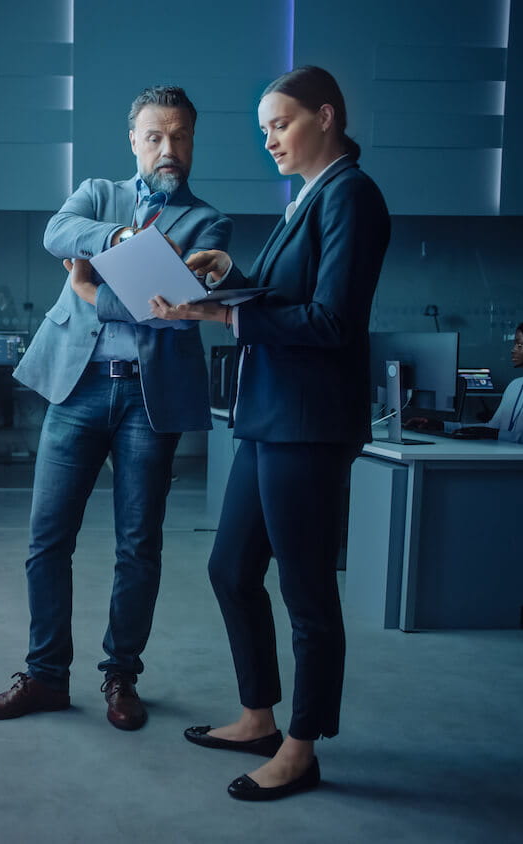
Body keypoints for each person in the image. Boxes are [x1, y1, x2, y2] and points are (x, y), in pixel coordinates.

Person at [148, 66, 390, 799]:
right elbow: (285, 295)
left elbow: (331, 322)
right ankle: (258, 713)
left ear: (326, 115)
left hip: (307, 427)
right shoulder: (310, 199)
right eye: (262, 131)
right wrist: (225, 274)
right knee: (230, 569)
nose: (269, 141)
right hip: (269, 418)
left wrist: (216, 315)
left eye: (279, 125)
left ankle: (301, 746)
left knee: (308, 593)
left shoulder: (352, 195)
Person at [0, 85, 232, 731]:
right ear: (134, 140)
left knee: (138, 546)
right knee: (46, 541)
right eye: (154, 136)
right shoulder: (96, 193)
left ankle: (121, 677)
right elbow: (56, 231)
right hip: (77, 388)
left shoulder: (209, 225)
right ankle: (45, 677)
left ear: (193, 140)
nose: (167, 149)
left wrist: (90, 283)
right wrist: (124, 239)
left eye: (179, 136)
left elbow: (170, 313)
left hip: (150, 401)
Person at [406, 316, 523, 451]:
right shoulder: (516, 385)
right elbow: (491, 428)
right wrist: (441, 425)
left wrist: (499, 435)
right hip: (504, 459)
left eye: (520, 345)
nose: (513, 350)